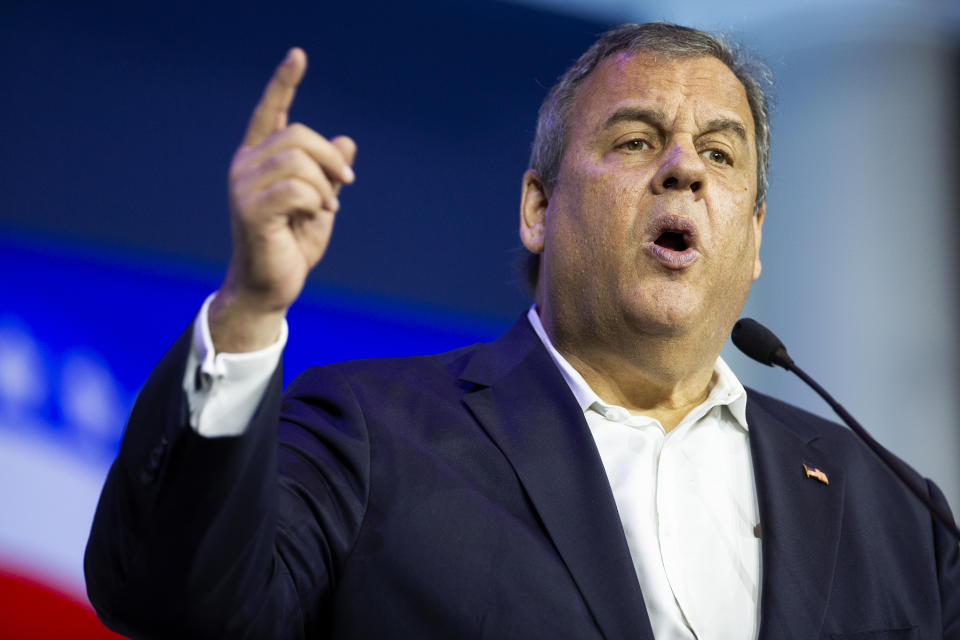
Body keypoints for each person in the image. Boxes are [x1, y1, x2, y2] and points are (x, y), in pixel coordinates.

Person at [85, 23, 959, 639]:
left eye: (721, 154)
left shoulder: (894, 509)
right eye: (634, 141)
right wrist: (247, 309)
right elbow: (177, 601)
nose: (684, 167)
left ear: (756, 237)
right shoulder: (370, 431)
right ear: (538, 207)